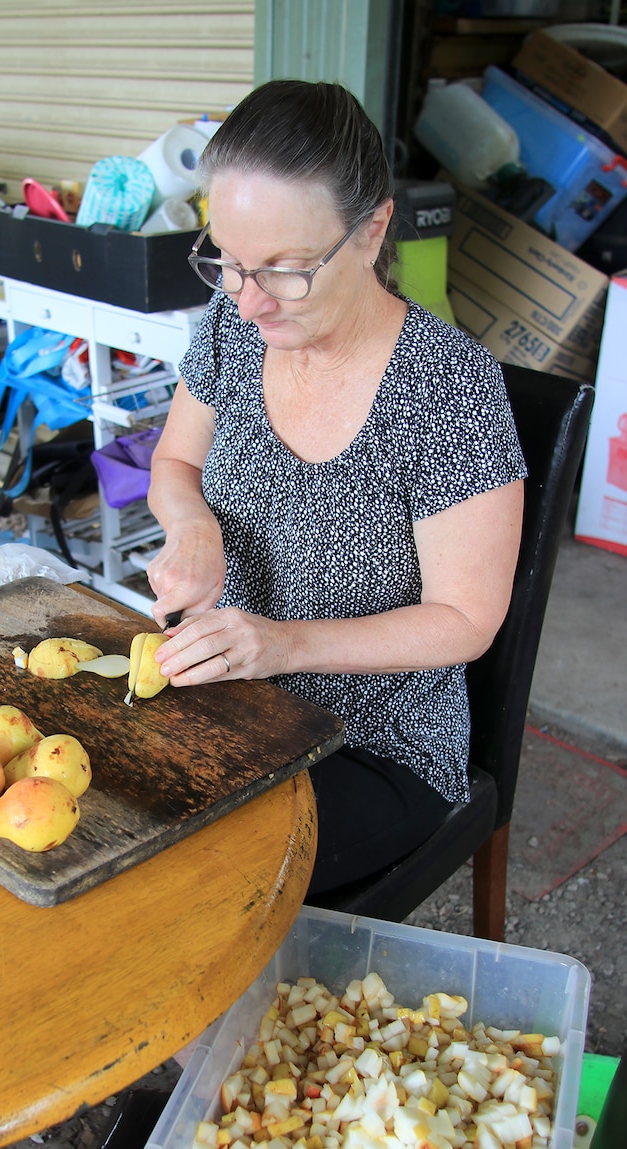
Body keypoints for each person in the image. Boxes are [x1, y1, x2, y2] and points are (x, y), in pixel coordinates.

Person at [145, 79, 527, 894]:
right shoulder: (228, 328)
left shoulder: (448, 391)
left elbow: (465, 620)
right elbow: (175, 466)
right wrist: (193, 528)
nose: (247, 301)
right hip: (228, 696)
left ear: (372, 230)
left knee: (187, 877)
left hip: (376, 743)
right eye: (229, 262)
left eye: (285, 270)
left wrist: (282, 644)